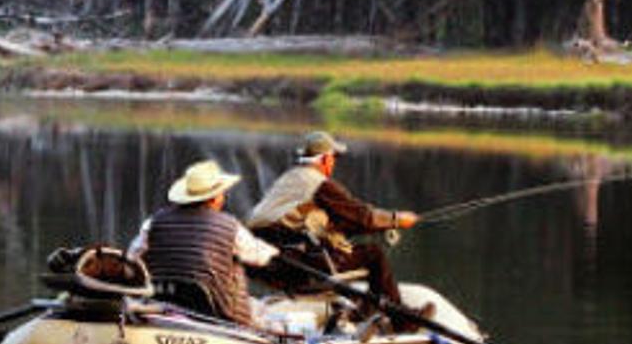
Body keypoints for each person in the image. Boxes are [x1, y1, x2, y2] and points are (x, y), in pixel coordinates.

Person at [247, 131, 417, 306]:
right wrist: (397, 219)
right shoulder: (319, 184)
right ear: (326, 159)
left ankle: (364, 310)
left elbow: (346, 221)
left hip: (264, 262)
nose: (334, 163)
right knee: (373, 254)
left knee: (338, 250)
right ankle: (399, 319)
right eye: (334, 158)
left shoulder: (289, 179)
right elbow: (362, 216)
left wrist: (379, 225)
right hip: (295, 264)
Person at [128, 158, 278, 328]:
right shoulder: (230, 226)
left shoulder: (153, 222)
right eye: (221, 193)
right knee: (261, 308)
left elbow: (133, 258)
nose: (223, 197)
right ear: (214, 198)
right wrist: (276, 251)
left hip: (163, 300)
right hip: (216, 310)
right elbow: (260, 257)